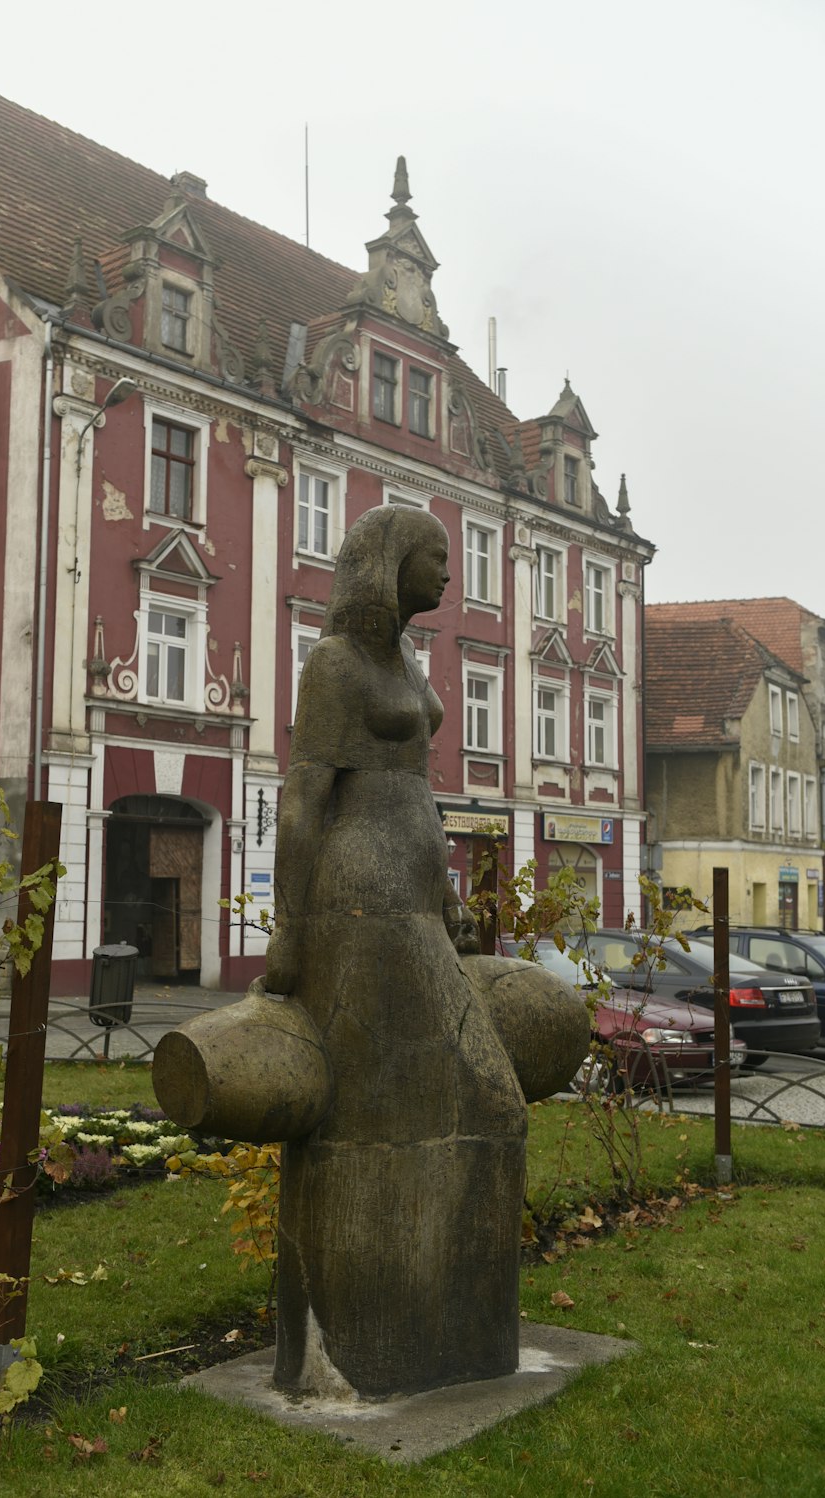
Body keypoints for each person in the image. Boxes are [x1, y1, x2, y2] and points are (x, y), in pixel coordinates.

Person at [266, 505, 526, 1398]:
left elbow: (418, 797)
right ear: (387, 566)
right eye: (435, 558)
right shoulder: (334, 666)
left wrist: (447, 888)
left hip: (412, 893)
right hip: (359, 904)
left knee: (445, 1102)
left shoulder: (406, 662)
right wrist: (289, 928)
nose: (450, 574)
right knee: (478, 1098)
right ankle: (365, 1337)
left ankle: (429, 1336)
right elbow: (304, 802)